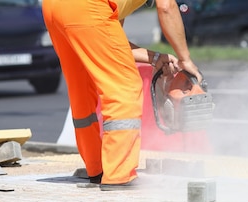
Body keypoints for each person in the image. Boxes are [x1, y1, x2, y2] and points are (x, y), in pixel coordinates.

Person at [41, 0, 202, 191]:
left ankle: (97, 168)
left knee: (82, 88)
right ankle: (118, 174)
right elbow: (167, 7)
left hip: (54, 8)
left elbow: (112, 41)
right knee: (125, 87)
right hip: (88, 8)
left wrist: (156, 58)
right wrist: (185, 59)